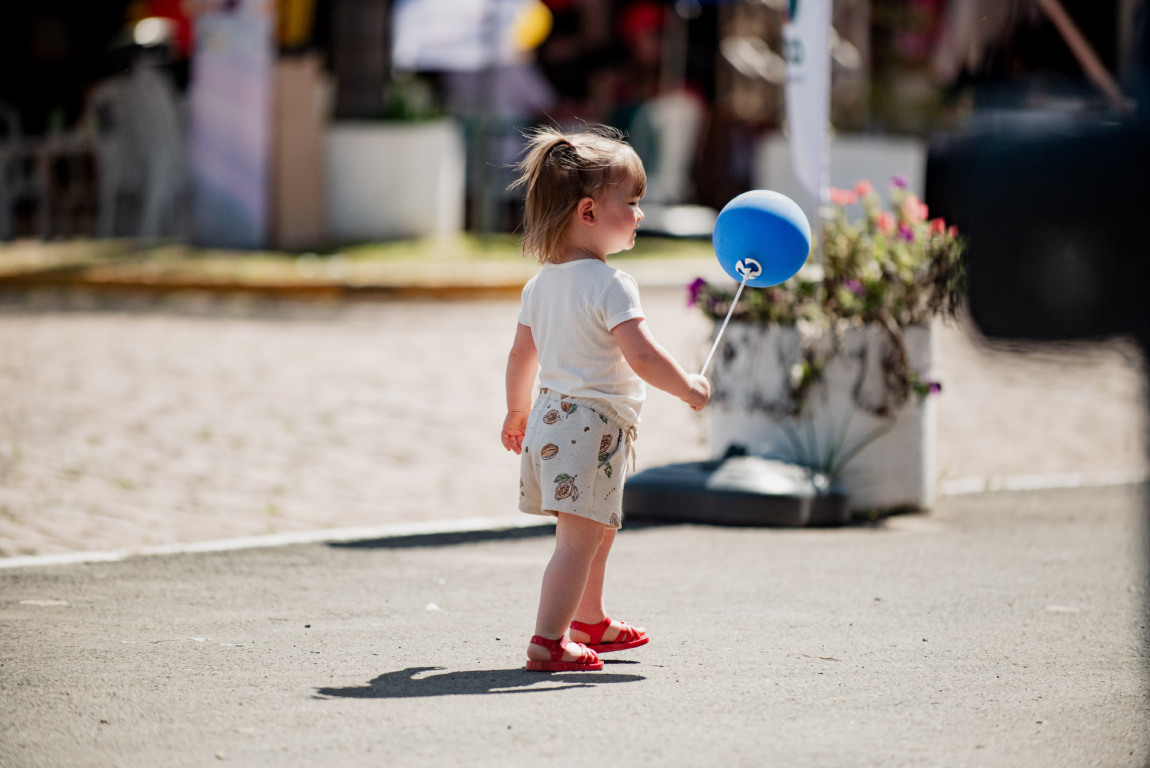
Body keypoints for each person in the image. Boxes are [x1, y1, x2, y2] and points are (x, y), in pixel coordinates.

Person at [500, 125, 711, 671]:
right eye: (633, 202)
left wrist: (516, 411)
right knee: (577, 540)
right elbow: (641, 355)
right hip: (590, 427)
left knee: (596, 527)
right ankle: (549, 640)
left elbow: (521, 357)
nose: (641, 214)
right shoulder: (612, 284)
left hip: (550, 418)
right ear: (589, 212)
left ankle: (589, 619)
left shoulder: (540, 284)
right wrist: (687, 386)